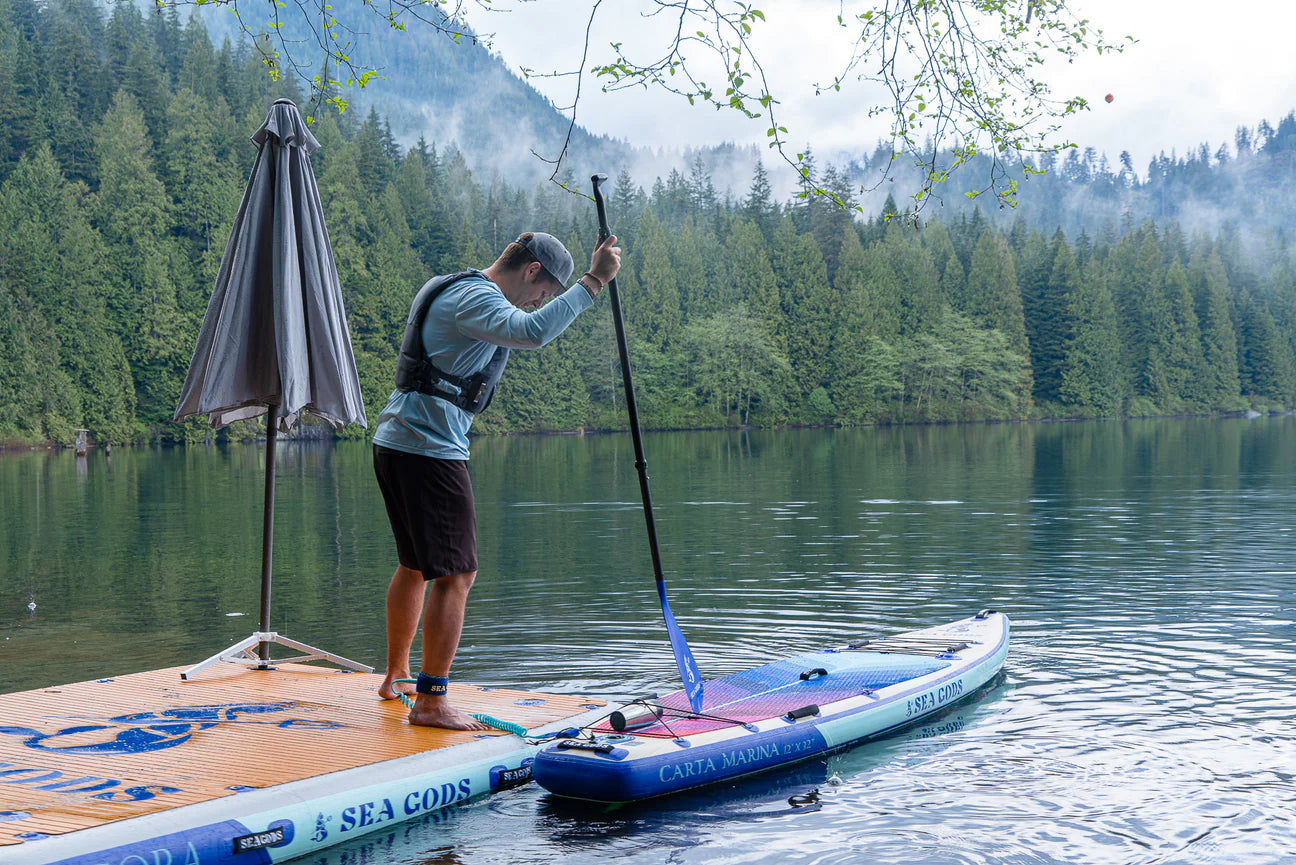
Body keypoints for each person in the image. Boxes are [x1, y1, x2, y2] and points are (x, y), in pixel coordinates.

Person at [372, 231, 621, 729]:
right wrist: (594, 282)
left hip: (398, 441)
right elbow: (531, 332)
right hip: (428, 449)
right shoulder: (475, 297)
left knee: (416, 564)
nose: (539, 301)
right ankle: (430, 701)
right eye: (544, 292)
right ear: (531, 271)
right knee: (457, 574)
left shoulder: (459, 288)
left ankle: (396, 676)